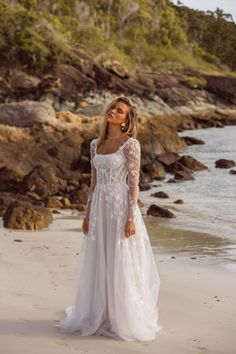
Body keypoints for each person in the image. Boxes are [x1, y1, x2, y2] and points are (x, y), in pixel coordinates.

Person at [55, 96, 162, 342]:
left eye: (120, 110)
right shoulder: (95, 144)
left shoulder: (130, 144)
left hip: (119, 206)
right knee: (99, 257)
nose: (113, 111)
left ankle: (121, 317)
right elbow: (93, 183)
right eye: (113, 107)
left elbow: (134, 183)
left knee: (119, 257)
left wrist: (131, 217)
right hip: (100, 208)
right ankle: (99, 312)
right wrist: (87, 213)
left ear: (126, 120)